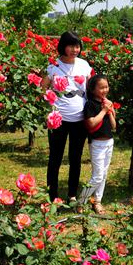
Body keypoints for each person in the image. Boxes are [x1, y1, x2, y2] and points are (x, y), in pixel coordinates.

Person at [43, 32, 92, 203]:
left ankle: (72, 194)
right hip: (58, 120)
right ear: (63, 46)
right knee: (55, 158)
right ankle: (52, 196)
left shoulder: (84, 65)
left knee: (75, 158)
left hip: (79, 120)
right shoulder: (53, 66)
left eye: (77, 46)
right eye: (71, 45)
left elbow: (90, 89)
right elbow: (42, 89)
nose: (74, 49)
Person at [78, 74, 116, 214]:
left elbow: (113, 126)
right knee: (97, 176)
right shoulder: (90, 105)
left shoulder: (107, 103)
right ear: (93, 89)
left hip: (109, 142)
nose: (105, 90)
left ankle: (97, 201)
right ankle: (81, 201)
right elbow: (91, 123)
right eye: (101, 88)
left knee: (104, 174)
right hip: (97, 144)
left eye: (106, 87)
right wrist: (104, 110)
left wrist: (110, 111)